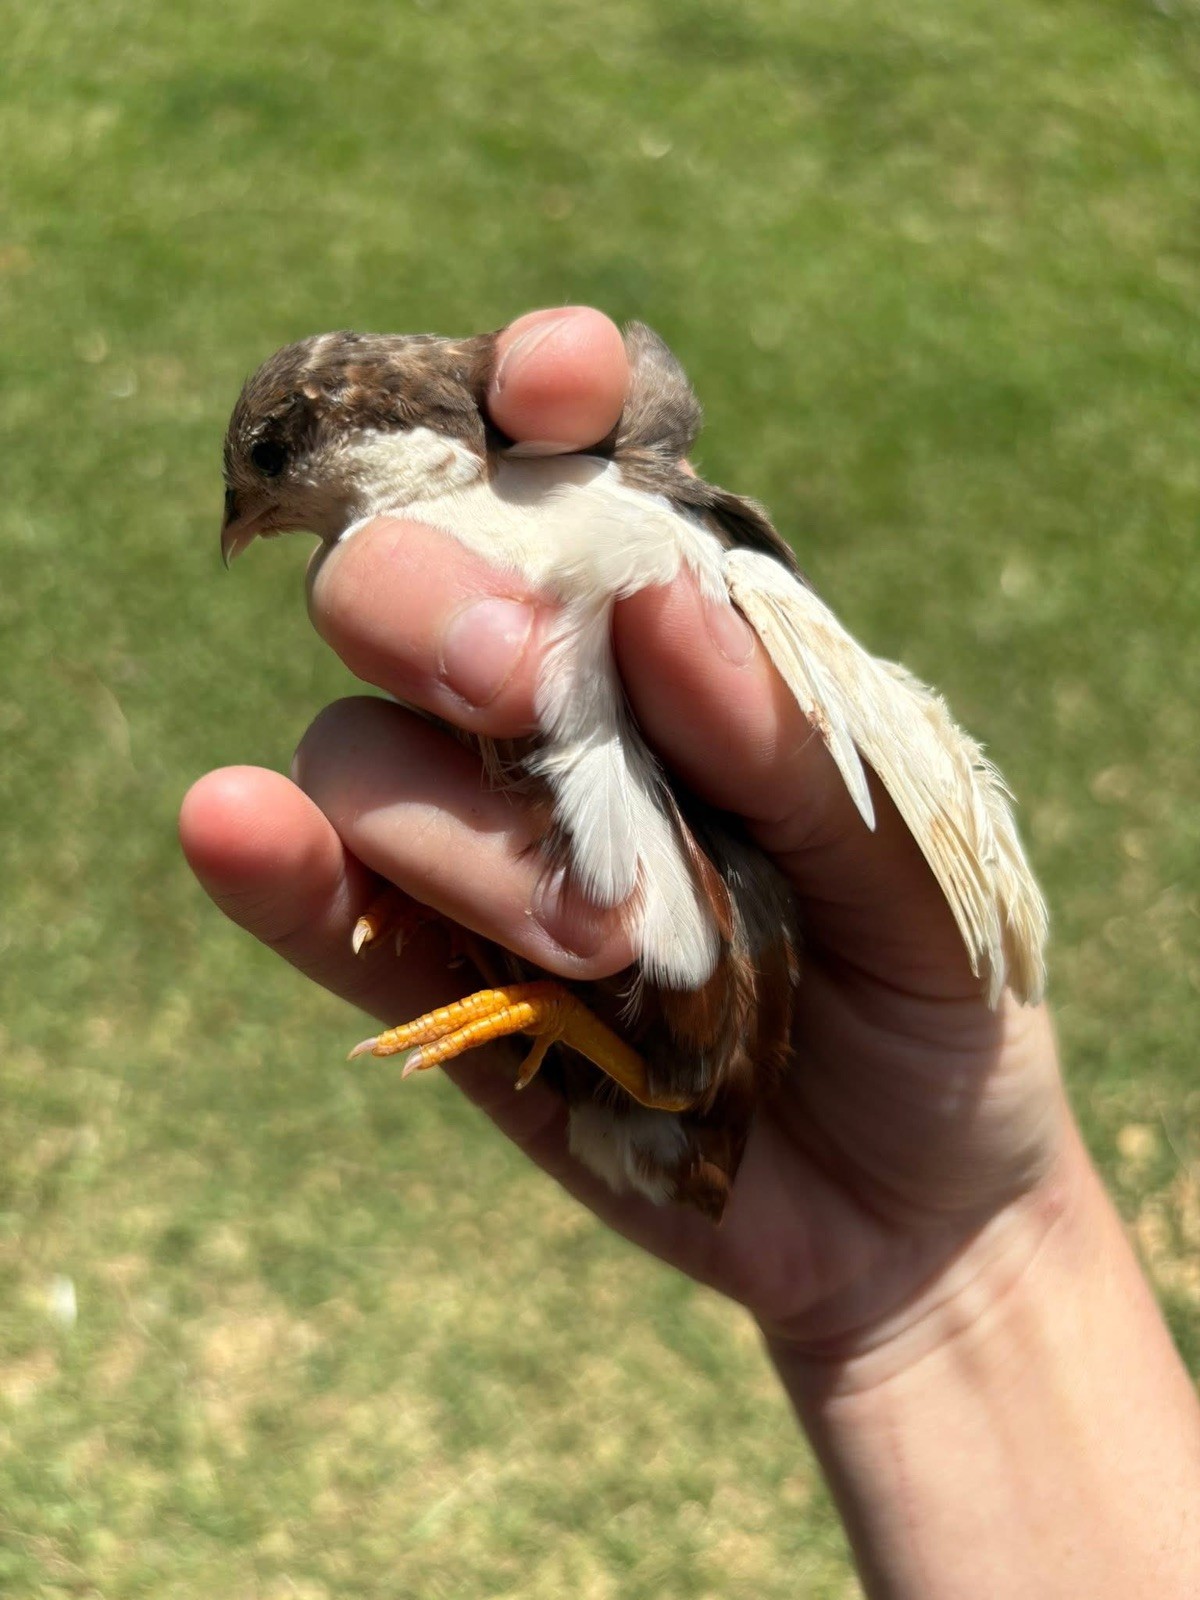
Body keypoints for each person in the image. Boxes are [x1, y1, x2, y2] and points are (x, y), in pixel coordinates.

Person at [180, 307, 1200, 1596]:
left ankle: (584, 1018)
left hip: (707, 1040)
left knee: (655, 1018)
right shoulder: (491, 523)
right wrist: (954, 1274)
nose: (246, 528)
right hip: (756, 1090)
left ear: (310, 440)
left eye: (254, 489)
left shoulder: (588, 507)